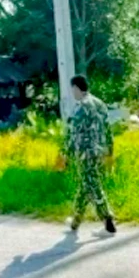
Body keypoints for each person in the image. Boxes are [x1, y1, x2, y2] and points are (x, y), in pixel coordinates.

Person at [59, 75, 116, 233]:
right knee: (86, 184)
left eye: (73, 90)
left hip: (85, 152)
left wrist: (64, 155)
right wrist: (110, 152)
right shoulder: (100, 104)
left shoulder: (81, 107)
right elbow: (108, 130)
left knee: (92, 184)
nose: (73, 94)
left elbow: (72, 133)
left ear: (77, 88)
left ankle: (107, 217)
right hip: (99, 151)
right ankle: (75, 221)